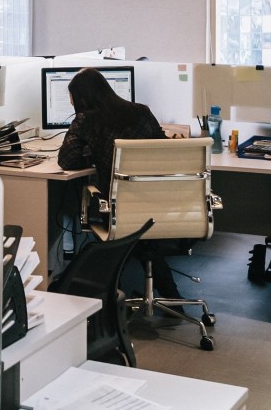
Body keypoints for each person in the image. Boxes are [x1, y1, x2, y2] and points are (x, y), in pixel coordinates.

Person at [56, 68, 183, 300]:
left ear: (81, 99)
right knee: (146, 242)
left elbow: (67, 160)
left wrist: (90, 152)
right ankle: (171, 297)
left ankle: (110, 298)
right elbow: (164, 149)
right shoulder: (142, 112)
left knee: (129, 229)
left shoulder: (86, 119)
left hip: (116, 210)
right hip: (155, 205)